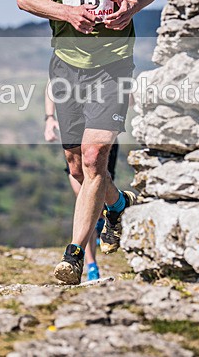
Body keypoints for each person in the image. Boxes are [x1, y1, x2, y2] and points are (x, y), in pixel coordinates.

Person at [17, 0, 162, 284]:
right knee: (77, 166)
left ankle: (74, 256)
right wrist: (65, 11)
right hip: (67, 64)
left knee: (97, 156)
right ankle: (117, 205)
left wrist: (133, 5)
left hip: (113, 62)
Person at [44, 81, 119, 281]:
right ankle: (113, 208)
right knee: (79, 179)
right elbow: (52, 85)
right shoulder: (70, 67)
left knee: (89, 191)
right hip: (75, 133)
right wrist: (50, 118)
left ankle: (84, 261)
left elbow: (127, 97)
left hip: (100, 136)